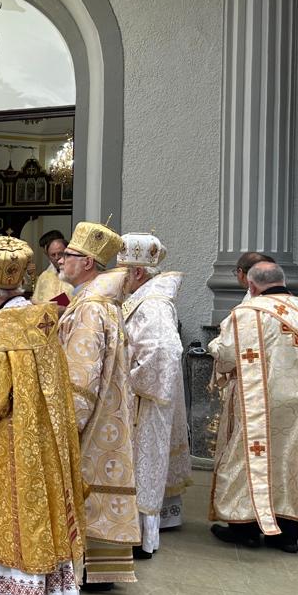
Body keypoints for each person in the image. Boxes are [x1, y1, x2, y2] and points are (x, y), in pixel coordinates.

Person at [0, 235, 86, 595]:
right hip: (46, 437)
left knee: (14, 515)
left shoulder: (2, 322)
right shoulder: (43, 315)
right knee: (44, 512)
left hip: (12, 440)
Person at [209, 262, 298, 553]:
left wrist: (213, 346)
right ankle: (287, 536)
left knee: (246, 457)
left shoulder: (247, 315)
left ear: (251, 286)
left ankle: (246, 530)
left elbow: (226, 355)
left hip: (258, 401)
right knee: (293, 463)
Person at [55, 222, 138, 587]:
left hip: (89, 419)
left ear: (87, 262)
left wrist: (66, 423)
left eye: (68, 256)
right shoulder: (105, 303)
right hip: (110, 413)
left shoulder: (89, 308)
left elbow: (81, 375)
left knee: (84, 483)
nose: (61, 261)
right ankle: (97, 568)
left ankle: (85, 568)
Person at [119, 233, 190, 555]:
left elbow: (163, 352)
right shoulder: (145, 300)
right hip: (144, 396)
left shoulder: (153, 305)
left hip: (144, 400)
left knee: (144, 466)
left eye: (122, 270)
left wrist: (126, 383)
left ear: (137, 272)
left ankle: (141, 538)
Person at [32, 230, 75, 306]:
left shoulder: (78, 275)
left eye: (60, 254)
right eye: (53, 255)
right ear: (48, 256)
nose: (57, 258)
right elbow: (36, 302)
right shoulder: (44, 276)